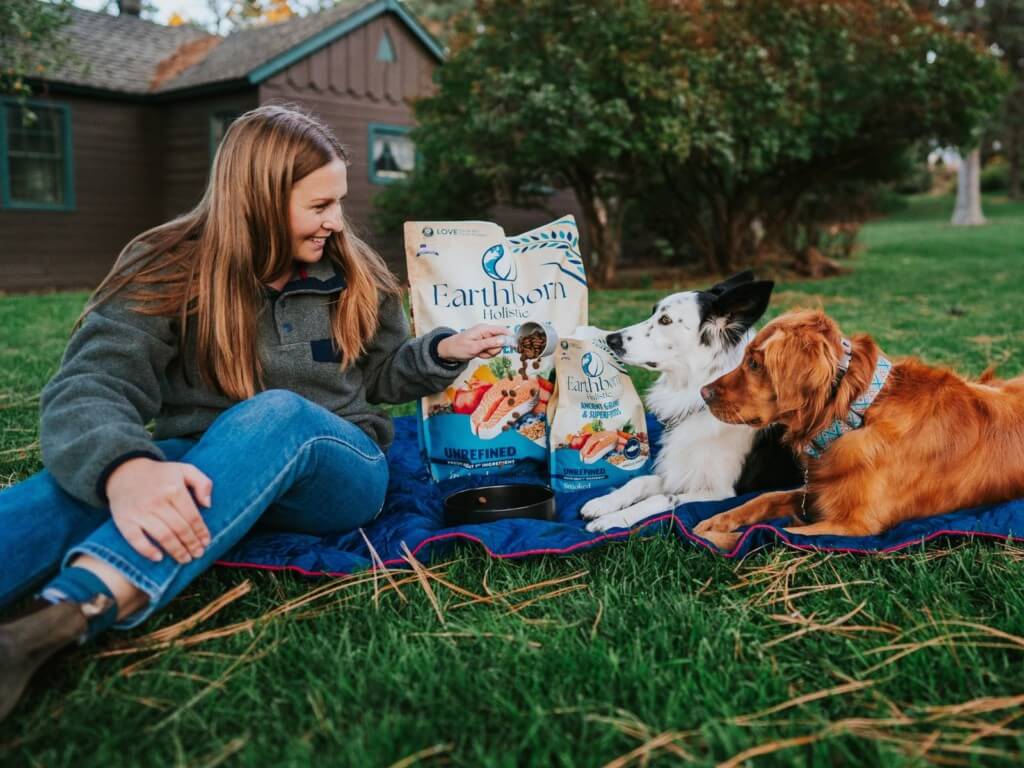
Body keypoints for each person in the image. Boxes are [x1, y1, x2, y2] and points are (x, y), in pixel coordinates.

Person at [0, 104, 507, 720]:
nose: (337, 222)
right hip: (215, 465)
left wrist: (441, 351)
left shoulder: (353, 271)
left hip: (340, 472)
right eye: (319, 207)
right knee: (82, 484)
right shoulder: (164, 264)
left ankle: (67, 613)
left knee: (278, 414)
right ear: (258, 200)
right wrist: (127, 471)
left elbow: (378, 376)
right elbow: (93, 382)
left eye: (338, 201)